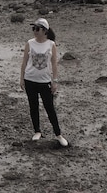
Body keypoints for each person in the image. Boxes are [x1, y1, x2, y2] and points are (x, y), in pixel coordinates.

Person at [20, 17, 69, 147]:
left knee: (50, 108)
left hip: (45, 81)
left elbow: (54, 64)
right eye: (33, 28)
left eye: (37, 29)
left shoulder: (51, 44)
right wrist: (21, 78)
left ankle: (58, 134)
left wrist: (55, 81)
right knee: (33, 106)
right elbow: (24, 61)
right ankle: (37, 131)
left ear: (45, 31)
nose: (34, 31)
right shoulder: (29, 43)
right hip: (30, 79)